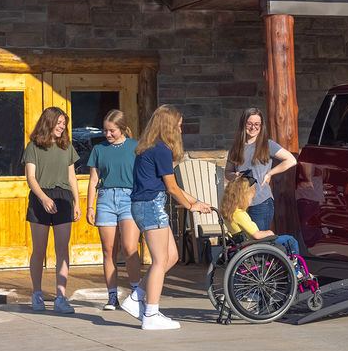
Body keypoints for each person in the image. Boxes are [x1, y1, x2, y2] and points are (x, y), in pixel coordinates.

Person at [128, 104, 212, 330]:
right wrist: (190, 207)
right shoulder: (161, 149)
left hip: (150, 204)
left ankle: (136, 298)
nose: (180, 130)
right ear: (168, 126)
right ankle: (150, 314)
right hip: (150, 205)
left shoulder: (152, 147)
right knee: (159, 261)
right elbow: (172, 188)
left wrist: (195, 202)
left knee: (171, 257)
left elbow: (171, 186)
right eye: (178, 126)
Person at [23, 106, 80, 313]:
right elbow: (30, 177)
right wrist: (44, 198)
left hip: (63, 198)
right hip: (41, 198)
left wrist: (78, 202)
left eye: (64, 124)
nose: (62, 127)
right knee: (39, 250)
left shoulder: (67, 147)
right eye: (59, 123)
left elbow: (72, 177)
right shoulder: (33, 146)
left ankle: (61, 297)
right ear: (49, 122)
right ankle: (37, 293)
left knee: (62, 250)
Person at [85, 109, 141, 312]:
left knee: (129, 248)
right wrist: (90, 206)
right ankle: (112, 297)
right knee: (109, 251)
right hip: (105, 200)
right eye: (105, 131)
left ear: (123, 128)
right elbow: (93, 180)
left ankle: (137, 294)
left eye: (112, 131)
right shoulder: (99, 149)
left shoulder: (136, 148)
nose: (108, 135)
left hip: (129, 199)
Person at [217, 172, 306, 279]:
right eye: (251, 198)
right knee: (290, 240)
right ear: (243, 197)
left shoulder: (229, 213)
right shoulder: (240, 214)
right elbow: (256, 235)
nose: (251, 201)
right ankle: (296, 271)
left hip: (244, 245)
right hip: (253, 245)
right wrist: (270, 233)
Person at [223, 107, 296, 231]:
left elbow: (291, 160)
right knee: (244, 244)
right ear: (243, 124)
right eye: (249, 123)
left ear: (261, 126)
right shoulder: (236, 147)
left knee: (259, 244)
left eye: (257, 124)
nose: (253, 127)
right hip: (239, 205)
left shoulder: (267, 144)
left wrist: (269, 174)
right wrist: (234, 176)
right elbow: (227, 172)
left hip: (261, 203)